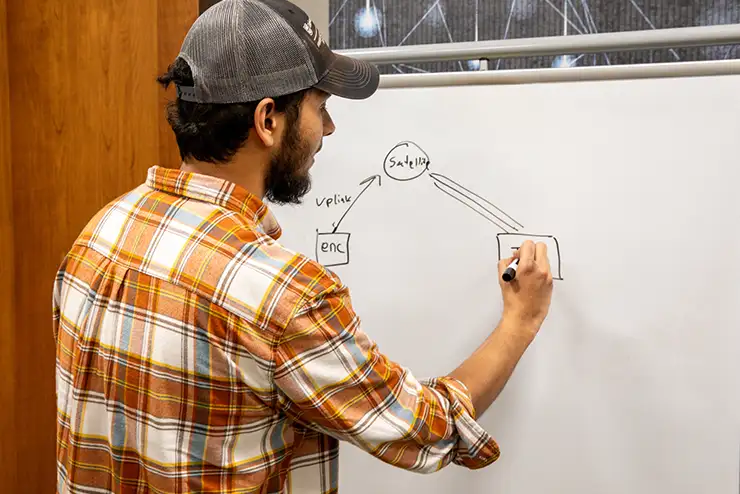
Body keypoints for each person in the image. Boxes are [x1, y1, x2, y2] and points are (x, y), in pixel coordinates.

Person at [52, 0, 554, 492]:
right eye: (321, 107)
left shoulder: (99, 236)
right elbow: (428, 429)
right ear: (268, 120)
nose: (328, 129)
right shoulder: (283, 296)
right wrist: (520, 322)